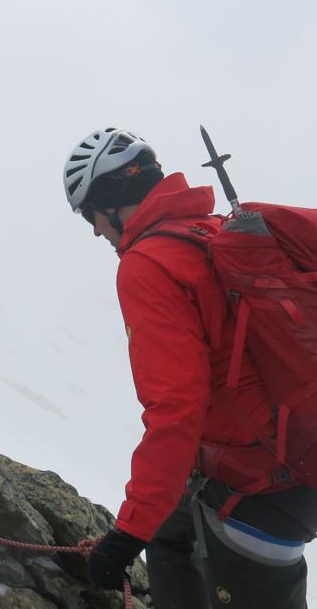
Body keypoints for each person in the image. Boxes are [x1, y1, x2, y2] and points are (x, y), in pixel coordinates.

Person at [64, 128, 317, 608]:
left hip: (259, 488)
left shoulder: (148, 265)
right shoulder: (217, 231)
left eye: (90, 216)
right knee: (171, 530)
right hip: (293, 465)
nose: (96, 230)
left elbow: (175, 407)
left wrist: (126, 534)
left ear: (112, 202)